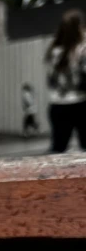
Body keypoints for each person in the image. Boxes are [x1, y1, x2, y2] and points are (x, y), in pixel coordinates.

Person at [45, 9, 86, 153]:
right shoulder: (82, 49)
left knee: (58, 149)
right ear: (79, 27)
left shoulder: (54, 50)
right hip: (80, 103)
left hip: (58, 104)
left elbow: (50, 80)